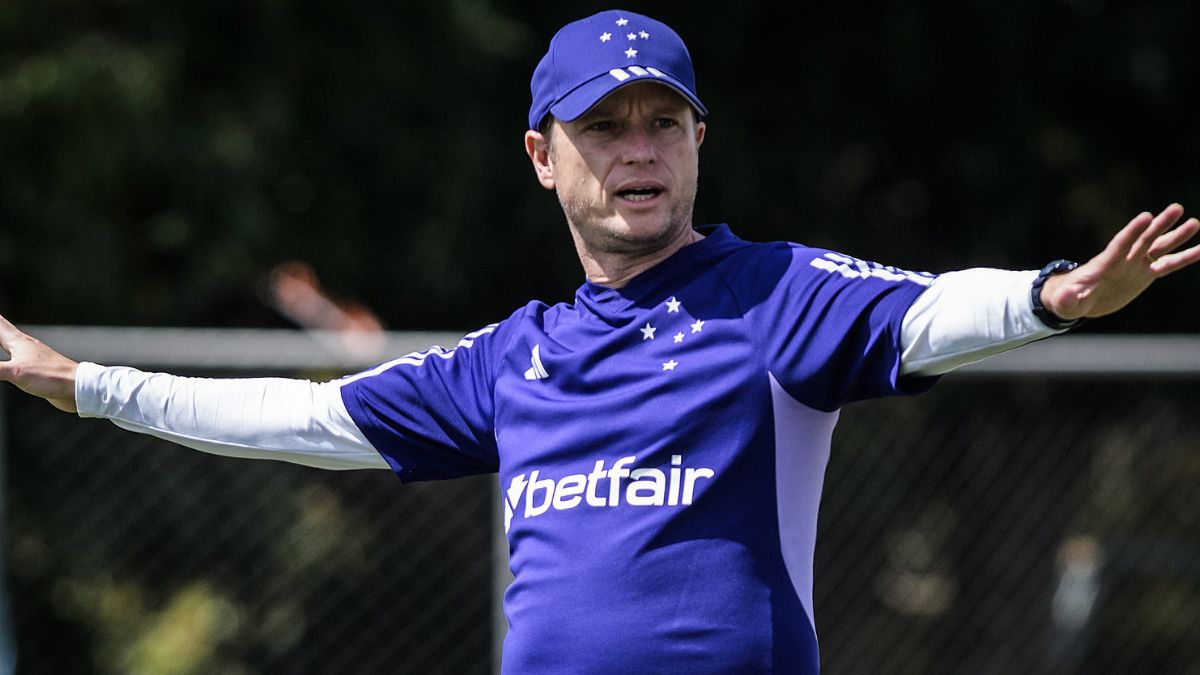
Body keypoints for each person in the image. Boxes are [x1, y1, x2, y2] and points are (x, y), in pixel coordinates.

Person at [2, 9, 1198, 673]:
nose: (637, 149)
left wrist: (1051, 299)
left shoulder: (772, 294)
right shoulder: (510, 359)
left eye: (661, 123)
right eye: (605, 127)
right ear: (543, 155)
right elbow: (306, 420)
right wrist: (85, 384)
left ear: (696, 141)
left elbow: (925, 312)